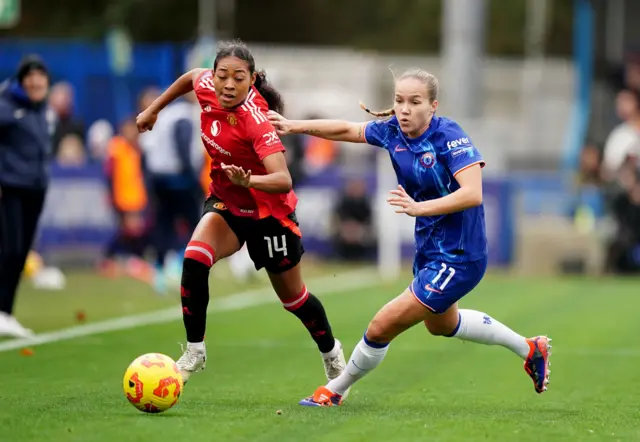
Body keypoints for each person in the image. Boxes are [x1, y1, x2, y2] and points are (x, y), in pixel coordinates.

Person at [268, 68, 552, 407]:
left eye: (414, 102)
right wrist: (294, 126)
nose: (404, 109)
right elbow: (347, 128)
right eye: (399, 100)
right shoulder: (392, 132)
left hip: (460, 254)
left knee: (380, 326)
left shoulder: (449, 136)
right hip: (432, 250)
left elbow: (473, 193)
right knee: (442, 325)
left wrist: (421, 208)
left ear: (433, 106)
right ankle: (529, 348)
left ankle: (334, 391)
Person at [136, 40, 347, 385]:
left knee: (294, 300)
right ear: (215, 76)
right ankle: (194, 351)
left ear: (251, 80)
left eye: (238, 78)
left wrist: (251, 179)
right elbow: (190, 78)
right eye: (223, 76)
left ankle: (331, 352)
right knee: (194, 259)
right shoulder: (206, 85)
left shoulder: (255, 120)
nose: (229, 85)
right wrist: (154, 109)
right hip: (227, 202)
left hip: (268, 214)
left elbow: (283, 180)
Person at [0, 55, 52, 338]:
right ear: (21, 80)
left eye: (40, 76)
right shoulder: (6, 107)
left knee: (20, 252)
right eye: (30, 76)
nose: (36, 81)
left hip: (35, 189)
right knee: (9, 248)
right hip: (10, 188)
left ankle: (5, 312)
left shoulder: (41, 109)